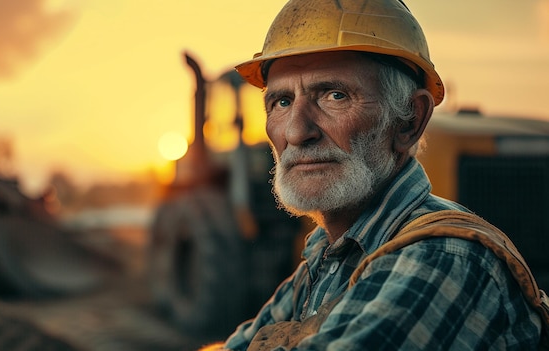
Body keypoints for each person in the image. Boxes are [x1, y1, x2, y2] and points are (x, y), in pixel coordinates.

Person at [201, 0, 545, 350]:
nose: (294, 132)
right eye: (282, 102)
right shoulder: (328, 253)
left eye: (335, 95)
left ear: (410, 120)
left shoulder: (443, 257)